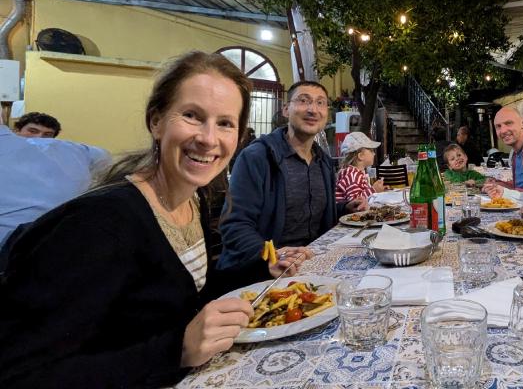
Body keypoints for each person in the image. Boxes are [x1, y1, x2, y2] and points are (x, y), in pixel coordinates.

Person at [0, 51, 313, 388]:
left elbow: (186, 293)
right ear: (156, 121)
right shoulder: (99, 224)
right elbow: (21, 373)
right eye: (192, 116)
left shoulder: (194, 198)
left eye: (225, 123)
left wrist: (261, 268)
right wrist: (176, 350)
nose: (209, 138)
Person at [218, 80, 367, 270]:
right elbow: (234, 225)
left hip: (311, 263)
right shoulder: (257, 157)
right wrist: (272, 256)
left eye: (320, 103)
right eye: (304, 101)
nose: (313, 109)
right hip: (259, 272)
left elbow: (308, 212)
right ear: (286, 109)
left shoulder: (322, 161)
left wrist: (344, 208)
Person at [0, 125, 110, 249]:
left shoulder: (69, 152)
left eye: (46, 134)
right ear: (16, 131)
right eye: (33, 131)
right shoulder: (73, 152)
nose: (39, 137)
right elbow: (105, 157)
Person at [493, 106, 523, 190]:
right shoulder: (515, 152)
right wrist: (497, 185)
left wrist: (506, 193)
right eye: (498, 126)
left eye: (508, 123)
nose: (503, 131)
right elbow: (520, 185)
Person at [335, 132, 384, 202]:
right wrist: (374, 189)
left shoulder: (355, 173)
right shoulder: (353, 175)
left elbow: (360, 193)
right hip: (348, 213)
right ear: (360, 156)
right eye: (371, 151)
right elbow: (355, 202)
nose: (374, 153)